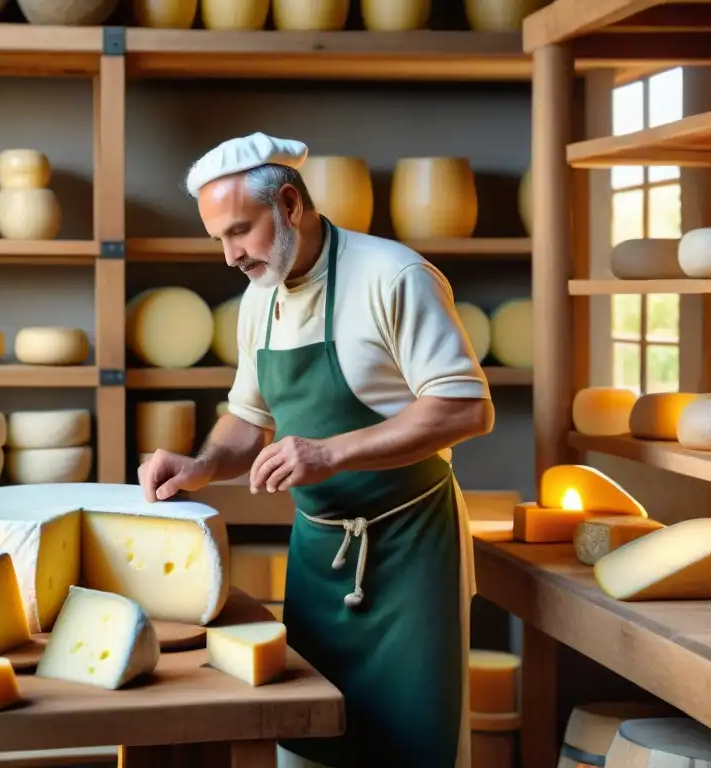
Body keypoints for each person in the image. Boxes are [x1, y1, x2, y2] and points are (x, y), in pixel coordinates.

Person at [138, 132, 494, 768]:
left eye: (239, 231)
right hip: (317, 556)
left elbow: (466, 407)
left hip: (410, 554)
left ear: (292, 204)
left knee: (412, 744)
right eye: (218, 237)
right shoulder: (258, 299)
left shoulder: (394, 275)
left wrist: (332, 453)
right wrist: (203, 466)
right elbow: (248, 422)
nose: (229, 255)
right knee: (306, 740)